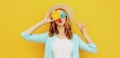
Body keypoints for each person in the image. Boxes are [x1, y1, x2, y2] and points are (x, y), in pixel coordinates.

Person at [20, 4, 98, 58]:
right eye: (57, 15)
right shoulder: (48, 37)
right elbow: (25, 35)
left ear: (66, 18)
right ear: (53, 19)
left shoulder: (75, 38)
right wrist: (43, 22)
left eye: (63, 15)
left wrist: (84, 34)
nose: (60, 18)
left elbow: (93, 49)